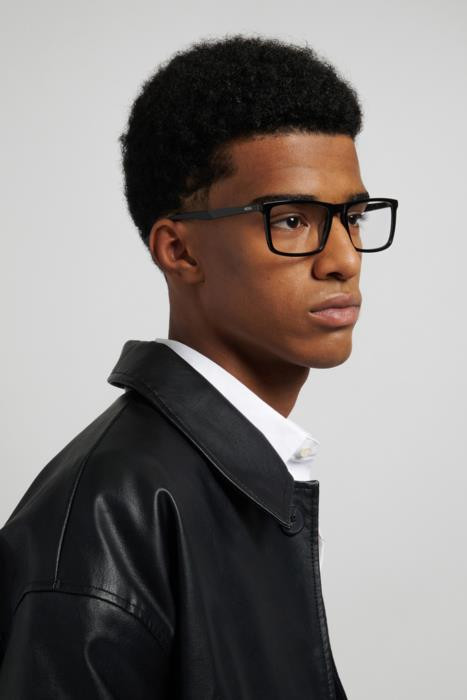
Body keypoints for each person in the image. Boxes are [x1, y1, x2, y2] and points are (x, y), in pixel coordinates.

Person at [0, 34, 397, 698]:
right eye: (291, 220)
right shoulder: (108, 515)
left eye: (352, 217)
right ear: (179, 251)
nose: (343, 259)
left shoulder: (247, 471)